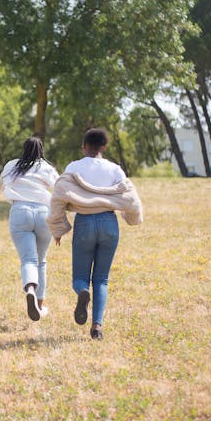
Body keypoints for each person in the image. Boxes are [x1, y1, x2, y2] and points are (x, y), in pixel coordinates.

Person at [47, 128, 143, 340]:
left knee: (80, 278)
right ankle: (97, 326)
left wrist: (58, 228)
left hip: (84, 223)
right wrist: (131, 219)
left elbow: (58, 197)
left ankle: (82, 292)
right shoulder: (115, 169)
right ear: (104, 147)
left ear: (84, 147)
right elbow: (131, 197)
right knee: (102, 279)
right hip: (109, 223)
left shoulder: (74, 167)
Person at [0, 137, 59, 321]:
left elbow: (0, 184)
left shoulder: (12, 165)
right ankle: (39, 304)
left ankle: (30, 288)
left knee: (28, 260)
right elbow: (60, 189)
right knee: (41, 261)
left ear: (23, 149)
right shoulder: (45, 167)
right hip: (43, 213)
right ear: (41, 151)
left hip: (20, 212)